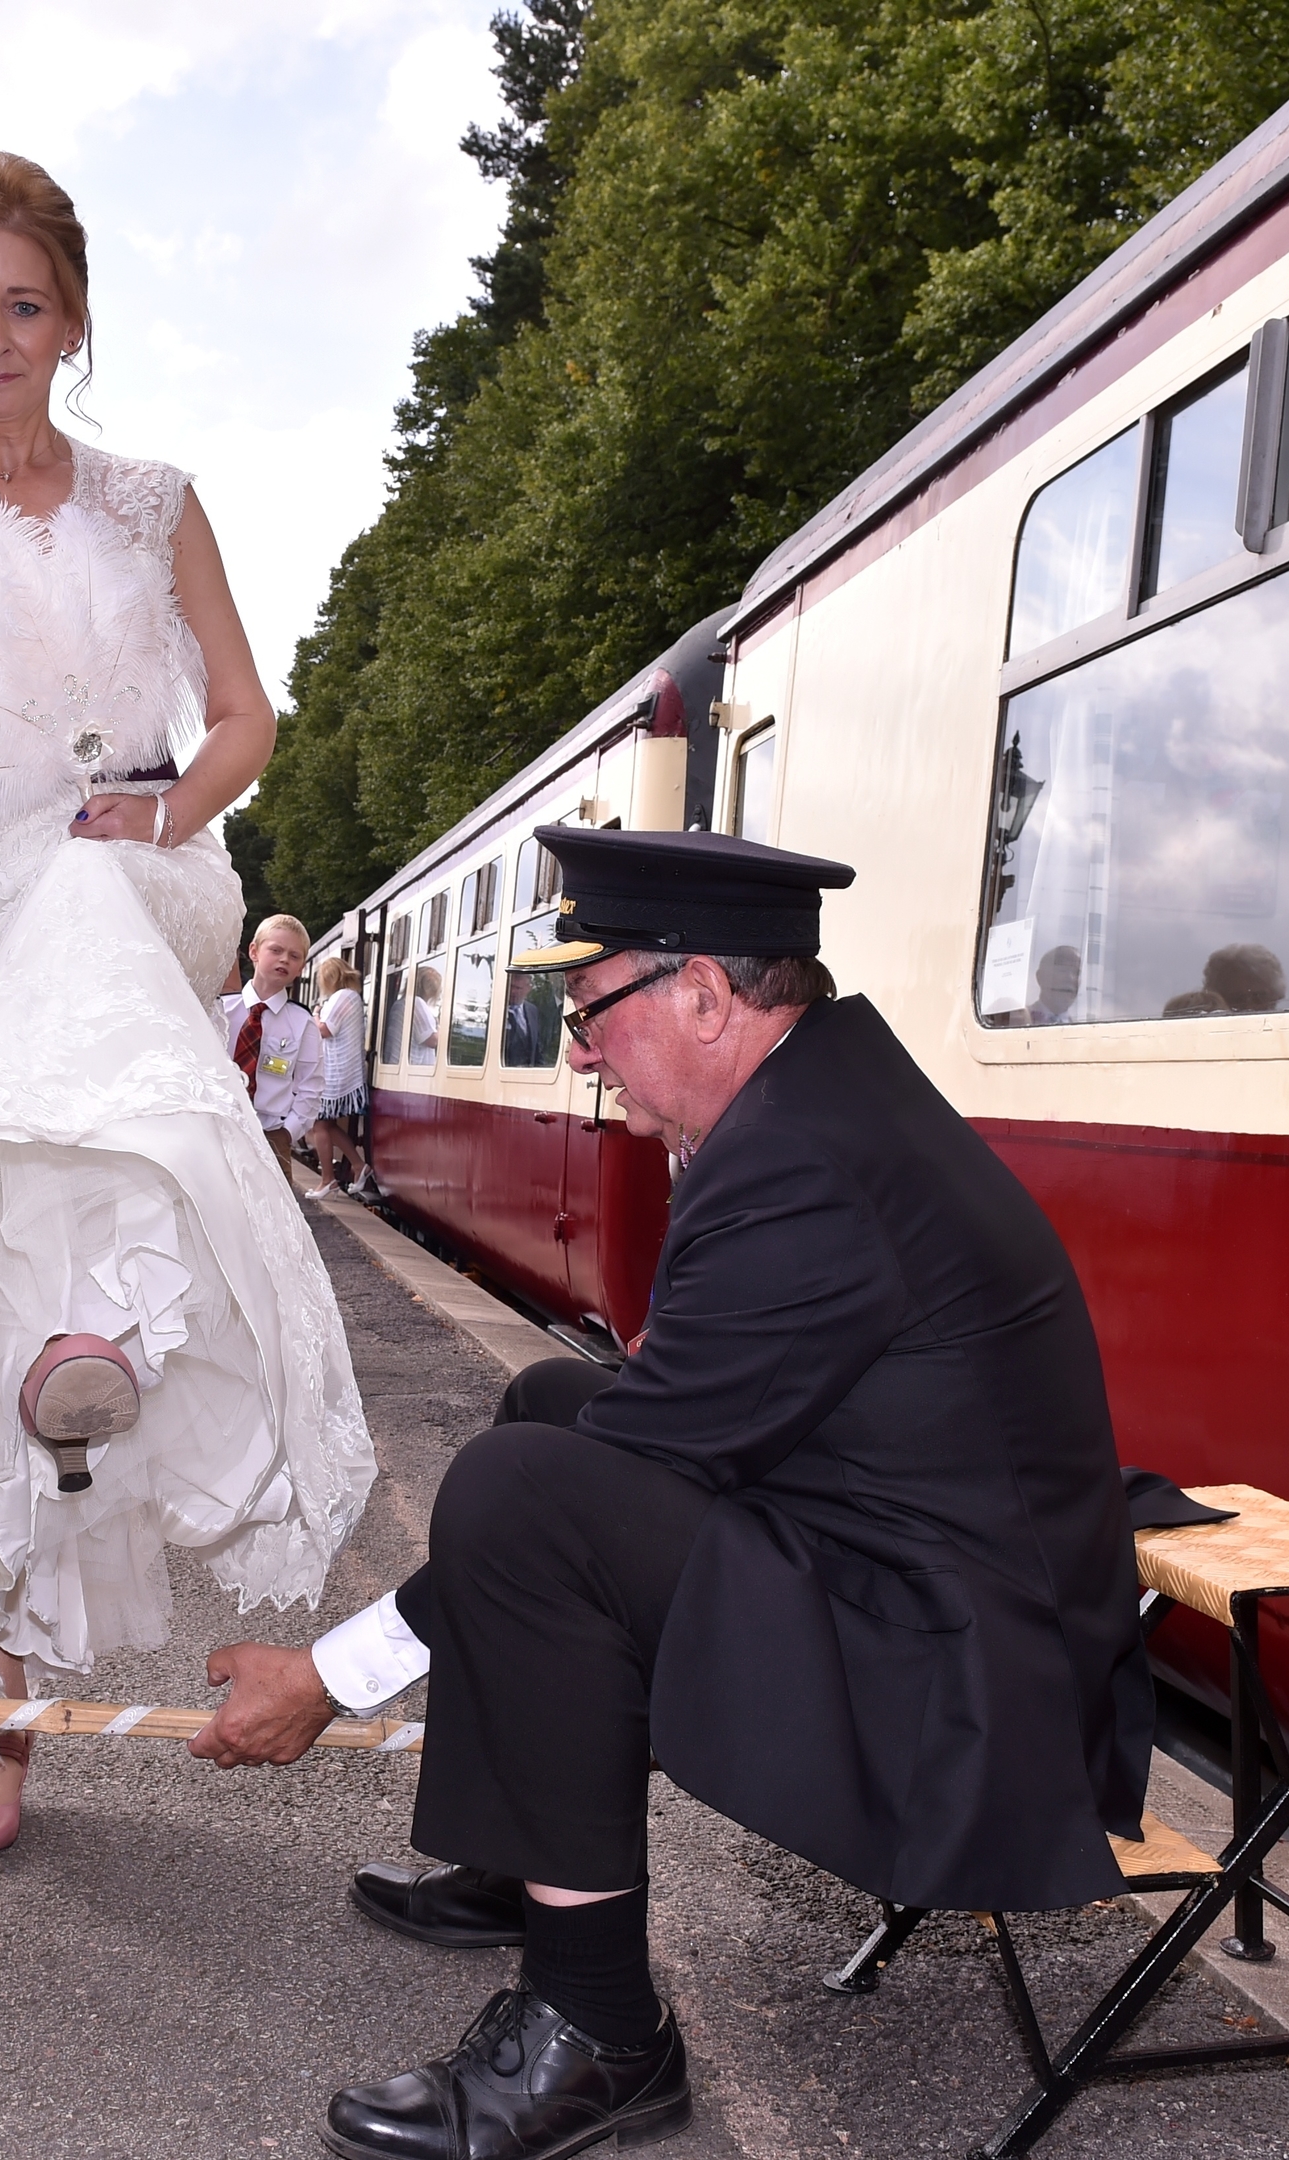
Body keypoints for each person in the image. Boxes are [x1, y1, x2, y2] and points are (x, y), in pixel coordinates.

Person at [187, 827, 1152, 2160]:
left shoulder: (808, 1164)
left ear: (702, 994)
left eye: (590, 1012)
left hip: (969, 1703)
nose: (578, 1051)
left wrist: (326, 1673)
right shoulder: (817, 1107)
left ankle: (600, 2036)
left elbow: (640, 1466)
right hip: (935, 1598)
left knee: (529, 1497)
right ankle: (521, 1852)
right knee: (544, 1413)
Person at [0, 151, 374, 1861]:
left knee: (98, 916)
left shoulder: (156, 499)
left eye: (22, 304)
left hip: (134, 864)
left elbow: (248, 713)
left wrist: (170, 814)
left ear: (75, 316)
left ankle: (104, 1329)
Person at [220, 915, 327, 1184]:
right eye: (276, 950)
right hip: (218, 1130)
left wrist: (287, 1134)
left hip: (270, 1138)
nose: (284, 960)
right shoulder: (221, 1010)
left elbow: (310, 1087)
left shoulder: (302, 1023)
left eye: (294, 955)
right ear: (254, 952)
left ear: (302, 967)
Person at [304, 954, 370, 1199]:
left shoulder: (344, 997)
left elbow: (325, 1030)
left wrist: (316, 1015)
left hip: (337, 1073)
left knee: (319, 1124)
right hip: (339, 1071)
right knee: (326, 1124)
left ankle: (328, 1180)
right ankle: (357, 1165)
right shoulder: (350, 997)